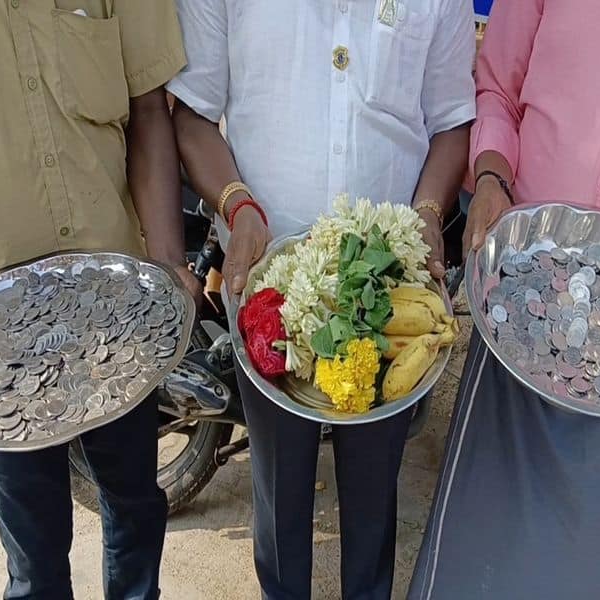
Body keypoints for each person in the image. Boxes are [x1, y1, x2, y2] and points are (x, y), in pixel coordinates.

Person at [167, 1, 475, 597]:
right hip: (269, 290)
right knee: (279, 485)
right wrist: (239, 204)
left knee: (372, 482)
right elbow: (193, 114)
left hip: (387, 290)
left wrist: (431, 214)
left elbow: (451, 120)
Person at [409, 1, 600, 598]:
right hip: (519, 313)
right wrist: (493, 177)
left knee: (581, 558)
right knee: (474, 542)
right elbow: (496, 86)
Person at [0, 2, 201, 598]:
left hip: (117, 314)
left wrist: (170, 262)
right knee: (35, 556)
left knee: (135, 505)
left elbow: (150, 109)